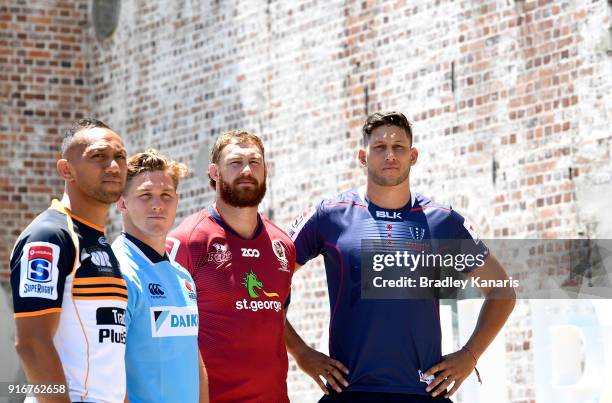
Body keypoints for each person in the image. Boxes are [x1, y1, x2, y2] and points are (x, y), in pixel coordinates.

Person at [285, 111, 516, 403]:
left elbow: (502, 291)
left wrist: (469, 355)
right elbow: (266, 285)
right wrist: (301, 352)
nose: (390, 155)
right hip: (350, 392)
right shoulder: (329, 216)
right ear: (362, 156)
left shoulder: (442, 221)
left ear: (413, 155)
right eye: (379, 147)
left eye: (399, 147)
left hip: (422, 392)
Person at [168, 130, 295, 403]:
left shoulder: (283, 244)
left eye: (255, 162)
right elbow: (163, 336)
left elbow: (277, 321)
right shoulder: (188, 241)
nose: (247, 170)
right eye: (236, 163)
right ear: (214, 172)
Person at [10, 118, 128, 402]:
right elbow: (31, 344)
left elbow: (107, 355)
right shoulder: (49, 236)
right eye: (98, 156)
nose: (113, 166)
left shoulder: (99, 240)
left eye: (120, 157)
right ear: (66, 169)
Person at [111, 149, 209, 403]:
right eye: (145, 195)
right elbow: (106, 369)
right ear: (122, 203)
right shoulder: (117, 271)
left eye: (166, 195)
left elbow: (192, 356)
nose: (157, 204)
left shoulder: (182, 275)